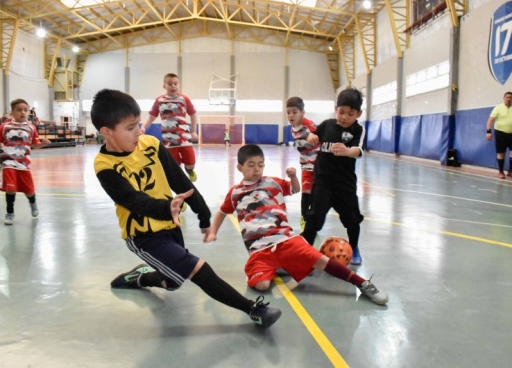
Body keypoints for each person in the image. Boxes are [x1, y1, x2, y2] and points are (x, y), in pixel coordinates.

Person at [91, 89, 281, 329]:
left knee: (173, 282)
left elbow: (180, 181)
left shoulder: (150, 144)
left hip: (170, 225)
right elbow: (133, 200)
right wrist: (165, 207)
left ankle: (139, 277)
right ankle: (253, 310)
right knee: (197, 268)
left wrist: (202, 212)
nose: (139, 131)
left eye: (139, 124)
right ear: (106, 132)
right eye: (130, 128)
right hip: (143, 236)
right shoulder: (104, 165)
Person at [204, 144, 388, 305]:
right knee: (261, 286)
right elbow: (222, 212)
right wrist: (213, 231)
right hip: (258, 250)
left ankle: (362, 283)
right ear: (239, 167)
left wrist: (293, 177)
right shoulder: (235, 192)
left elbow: (295, 189)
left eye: (260, 165)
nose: (256, 170)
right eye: (251, 165)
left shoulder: (273, 182)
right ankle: (280, 265)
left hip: (286, 239)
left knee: (321, 260)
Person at [300, 87, 365, 266]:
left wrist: (347, 151)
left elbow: (358, 150)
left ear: (358, 113)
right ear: (336, 109)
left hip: (345, 184)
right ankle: (304, 249)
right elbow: (314, 134)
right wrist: (312, 137)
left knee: (352, 218)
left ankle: (355, 247)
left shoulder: (357, 130)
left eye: (350, 114)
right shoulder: (327, 124)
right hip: (323, 182)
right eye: (341, 112)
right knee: (313, 217)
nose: (344, 117)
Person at [0, 99, 51, 225]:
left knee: (29, 190)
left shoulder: (31, 127)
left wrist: (42, 144)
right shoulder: (5, 127)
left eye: (25, 110)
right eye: (19, 110)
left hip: (24, 163)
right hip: (7, 162)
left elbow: (34, 145)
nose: (23, 112)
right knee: (11, 189)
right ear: (12, 112)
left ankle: (33, 203)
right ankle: (10, 213)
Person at [142, 73, 199, 182]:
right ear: (164, 86)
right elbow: (152, 116)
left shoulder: (184, 99)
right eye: (170, 84)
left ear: (179, 85)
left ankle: (189, 170)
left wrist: (193, 131)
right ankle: (181, 184)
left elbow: (193, 115)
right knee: (174, 166)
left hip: (184, 138)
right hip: (169, 140)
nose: (173, 86)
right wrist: (144, 126)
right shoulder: (159, 100)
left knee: (190, 162)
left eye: (175, 83)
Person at [286, 96, 319, 231]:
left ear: (302, 113)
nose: (291, 115)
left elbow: (315, 131)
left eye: (295, 112)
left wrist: (313, 135)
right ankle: (304, 220)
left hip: (318, 165)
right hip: (305, 165)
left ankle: (313, 219)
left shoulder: (307, 123)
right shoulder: (292, 129)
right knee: (305, 192)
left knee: (315, 195)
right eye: (288, 112)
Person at [486, 91, 512, 179]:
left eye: (510, 97)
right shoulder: (498, 108)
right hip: (501, 133)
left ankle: (510, 171)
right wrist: (488, 132)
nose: (509, 99)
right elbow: (490, 120)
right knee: (501, 153)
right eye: (507, 97)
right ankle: (501, 172)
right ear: (504, 98)